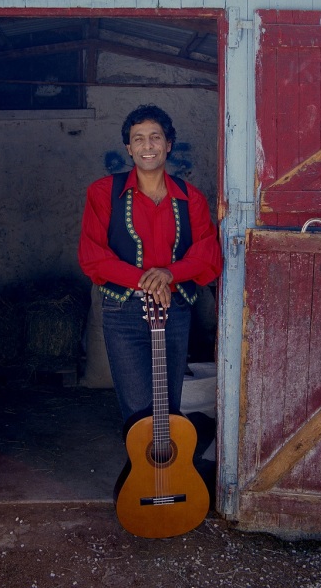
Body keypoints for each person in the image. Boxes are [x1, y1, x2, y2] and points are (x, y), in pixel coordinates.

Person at [78, 104, 222, 428]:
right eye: (138, 138)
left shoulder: (191, 198)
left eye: (155, 137)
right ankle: (143, 461)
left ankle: (167, 459)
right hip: (123, 311)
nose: (148, 145)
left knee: (168, 406)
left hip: (175, 310)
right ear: (129, 148)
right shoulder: (103, 193)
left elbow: (208, 254)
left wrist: (170, 273)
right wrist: (148, 281)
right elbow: (92, 256)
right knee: (138, 412)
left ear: (168, 144)